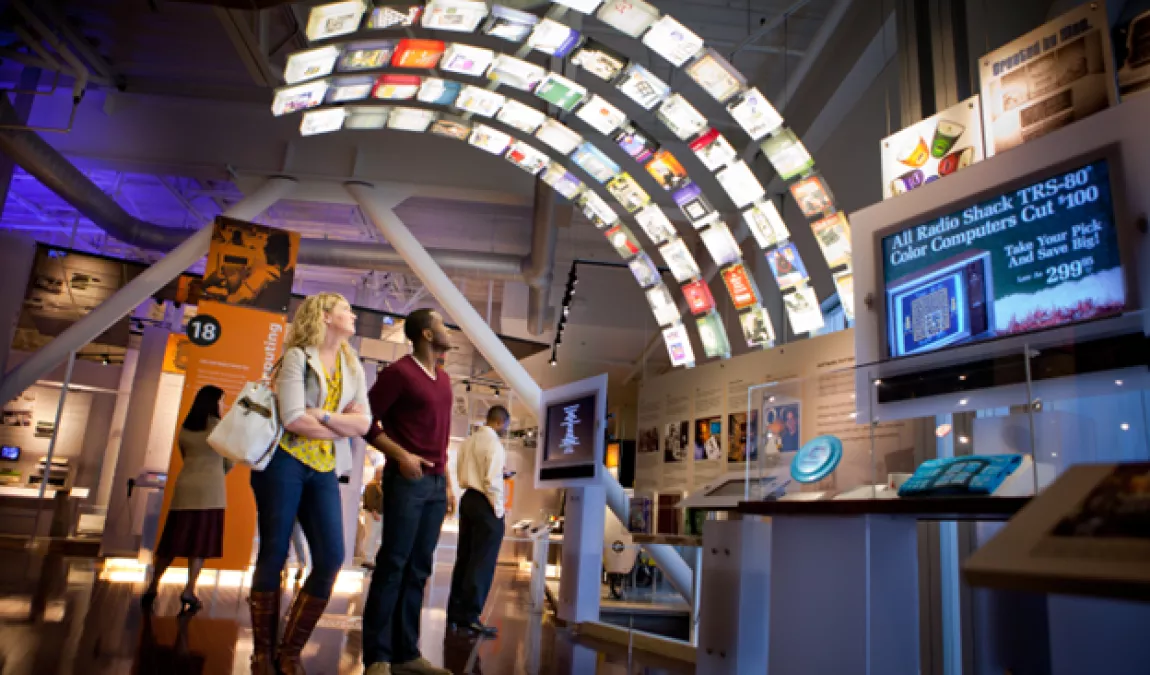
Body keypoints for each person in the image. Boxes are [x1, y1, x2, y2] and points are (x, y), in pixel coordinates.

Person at [248, 292, 371, 675]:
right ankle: (262, 653)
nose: (353, 315)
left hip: (323, 467)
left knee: (332, 557)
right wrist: (340, 426)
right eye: (346, 310)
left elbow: (364, 423)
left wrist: (325, 416)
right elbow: (292, 419)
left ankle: (289, 650)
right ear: (325, 316)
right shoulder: (297, 357)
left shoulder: (353, 365)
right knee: (274, 553)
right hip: (283, 461)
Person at [362, 308, 456, 675]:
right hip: (406, 482)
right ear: (427, 334)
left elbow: (441, 440)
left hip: (435, 485)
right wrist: (401, 455)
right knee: (393, 564)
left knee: (419, 569)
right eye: (441, 324)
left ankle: (407, 653)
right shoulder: (398, 373)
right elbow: (365, 421)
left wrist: (448, 484)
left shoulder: (444, 379)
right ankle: (378, 656)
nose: (448, 329)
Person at [142, 385, 230, 615]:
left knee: (171, 542)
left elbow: (185, 455)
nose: (224, 405)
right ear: (214, 403)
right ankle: (189, 590)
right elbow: (229, 460)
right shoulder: (220, 428)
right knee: (199, 545)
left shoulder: (186, 427)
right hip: (210, 492)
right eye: (222, 401)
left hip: (185, 488)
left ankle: (153, 585)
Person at [447, 405, 510, 636]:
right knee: (482, 562)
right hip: (485, 503)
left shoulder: (468, 441)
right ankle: (470, 617)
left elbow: (465, 472)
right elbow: (492, 482)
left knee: (464, 558)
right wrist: (499, 511)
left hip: (469, 499)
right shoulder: (494, 444)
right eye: (506, 425)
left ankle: (454, 614)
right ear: (500, 422)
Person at [361, 466, 384, 570]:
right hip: (373, 515)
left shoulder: (379, 485)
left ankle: (371, 558)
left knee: (375, 537)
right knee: (371, 536)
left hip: (378, 514)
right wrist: (374, 511)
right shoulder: (372, 486)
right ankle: (367, 558)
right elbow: (370, 500)